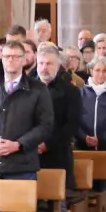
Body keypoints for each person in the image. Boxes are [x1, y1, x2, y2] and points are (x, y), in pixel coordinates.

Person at [0, 40, 54, 179]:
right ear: (1, 59)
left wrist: (18, 145)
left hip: (22, 164)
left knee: (20, 202)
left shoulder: (38, 89)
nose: (11, 60)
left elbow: (45, 125)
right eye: (7, 56)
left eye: (16, 56)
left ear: (23, 60)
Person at [35, 44, 80, 174]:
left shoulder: (70, 91)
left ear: (58, 66)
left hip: (58, 155)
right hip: (31, 155)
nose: (44, 68)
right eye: (41, 63)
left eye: (49, 64)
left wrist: (48, 144)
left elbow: (72, 125)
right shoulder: (27, 89)